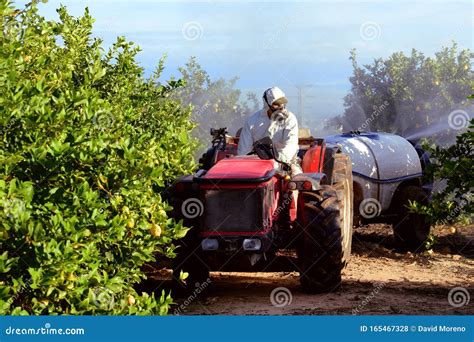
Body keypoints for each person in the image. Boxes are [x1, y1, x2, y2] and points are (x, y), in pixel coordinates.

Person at [237, 86, 301, 174]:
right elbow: (244, 151)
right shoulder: (252, 121)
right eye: (276, 104)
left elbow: (291, 145)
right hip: (258, 164)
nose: (281, 106)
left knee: (295, 183)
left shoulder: (289, 119)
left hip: (286, 163)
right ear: (267, 105)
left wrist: (277, 162)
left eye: (282, 103)